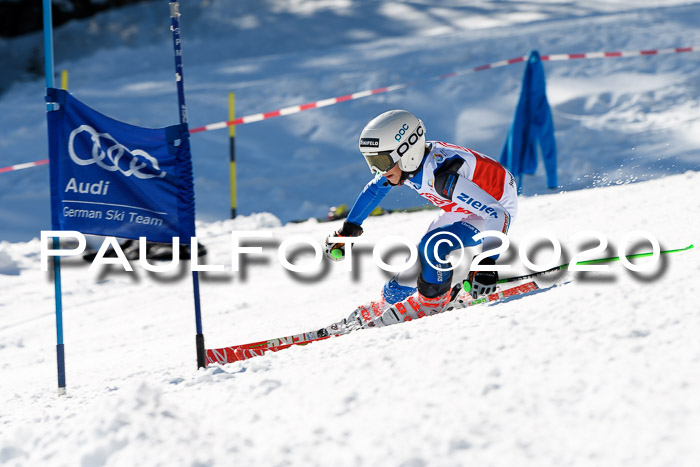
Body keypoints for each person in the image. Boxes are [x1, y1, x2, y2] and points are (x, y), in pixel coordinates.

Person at [324, 109, 518, 331]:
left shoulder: (442, 176)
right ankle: (389, 303)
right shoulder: (406, 166)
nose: (378, 170)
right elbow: (373, 191)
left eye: (381, 160)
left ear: (407, 153)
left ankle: (433, 302)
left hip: (495, 205)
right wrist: (349, 230)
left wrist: (486, 262)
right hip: (463, 204)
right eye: (372, 162)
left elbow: (497, 213)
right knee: (410, 271)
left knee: (434, 245)